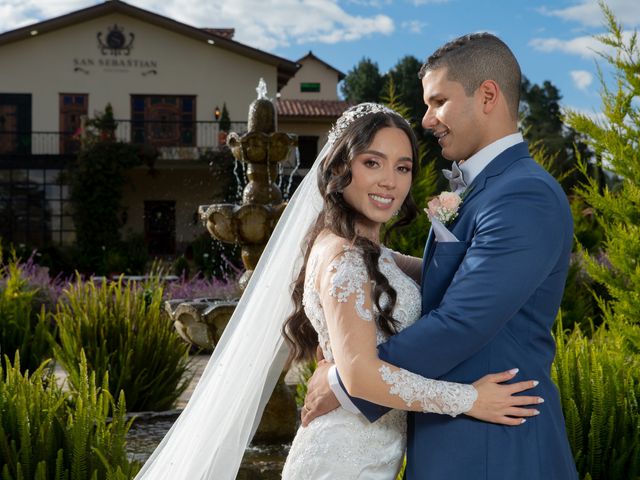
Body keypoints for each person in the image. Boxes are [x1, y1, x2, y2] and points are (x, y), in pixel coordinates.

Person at [302, 33, 579, 479]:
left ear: (487, 95)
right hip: (450, 441)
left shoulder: (524, 196)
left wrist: (346, 380)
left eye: (438, 101)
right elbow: (436, 279)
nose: (427, 120)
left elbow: (460, 323)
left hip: (492, 451)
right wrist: (350, 253)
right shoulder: (482, 191)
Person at [280, 102, 541, 479]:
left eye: (402, 167)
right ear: (340, 168)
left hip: (371, 453)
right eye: (373, 163)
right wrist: (471, 400)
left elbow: (448, 275)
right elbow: (361, 378)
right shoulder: (346, 259)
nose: (390, 180)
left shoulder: (368, 254)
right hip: (344, 461)